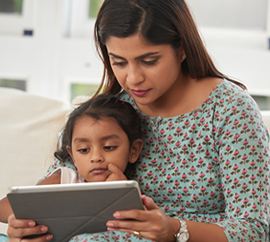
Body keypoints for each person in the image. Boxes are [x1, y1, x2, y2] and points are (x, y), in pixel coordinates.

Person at [5, 0, 270, 241]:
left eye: (149, 61)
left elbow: (255, 228)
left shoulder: (229, 110)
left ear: (182, 49)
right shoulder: (109, 111)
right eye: (119, 62)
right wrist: (27, 226)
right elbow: (46, 197)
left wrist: (175, 229)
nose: (133, 78)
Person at [0, 94, 143, 233]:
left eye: (109, 147)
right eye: (84, 150)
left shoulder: (134, 193)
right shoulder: (65, 180)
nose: (96, 157)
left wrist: (121, 193)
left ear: (133, 151)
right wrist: (22, 218)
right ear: (73, 156)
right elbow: (6, 207)